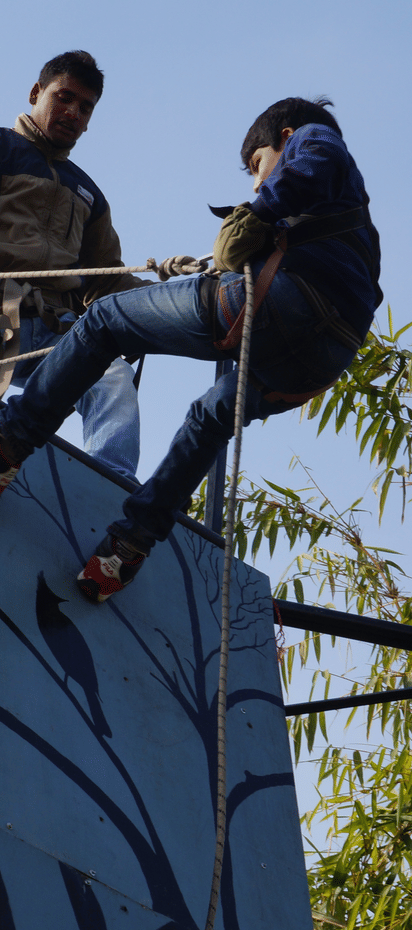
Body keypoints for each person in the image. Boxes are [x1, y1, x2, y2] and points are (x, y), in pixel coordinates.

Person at [0, 96, 382, 602]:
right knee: (212, 416)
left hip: (277, 304)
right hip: (320, 360)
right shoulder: (352, 231)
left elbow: (316, 159)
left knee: (105, 321)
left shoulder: (312, 139)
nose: (254, 181)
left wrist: (259, 212)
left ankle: (12, 441)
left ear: (284, 139)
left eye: (257, 164)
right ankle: (127, 546)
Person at [0, 50, 151, 481]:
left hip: (55, 326)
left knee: (113, 375)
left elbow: (106, 278)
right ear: (36, 93)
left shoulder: (89, 194)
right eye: (64, 98)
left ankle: (108, 486)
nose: (73, 112)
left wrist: (172, 296)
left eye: (85, 107)